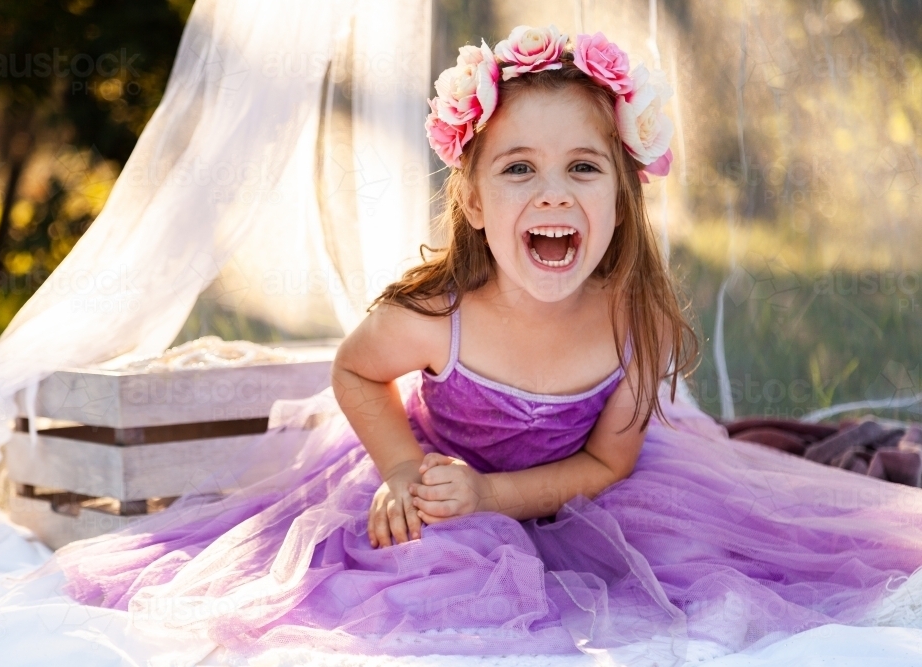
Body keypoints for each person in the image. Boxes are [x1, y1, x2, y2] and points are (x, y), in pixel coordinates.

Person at [54, 25, 922, 662]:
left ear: (623, 197)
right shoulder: (438, 314)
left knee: (719, 567)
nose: (553, 193)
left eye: (584, 168)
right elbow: (355, 370)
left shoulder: (633, 322)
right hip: (439, 479)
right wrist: (402, 469)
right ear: (471, 200)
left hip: (584, 496)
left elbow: (607, 466)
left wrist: (495, 493)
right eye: (519, 169)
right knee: (412, 575)